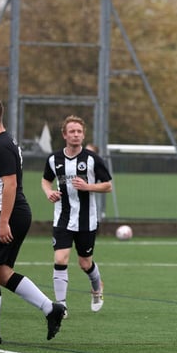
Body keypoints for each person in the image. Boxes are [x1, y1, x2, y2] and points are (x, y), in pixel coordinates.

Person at [0, 95, 66, 344]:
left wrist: (1, 221)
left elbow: (10, 184)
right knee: (1, 272)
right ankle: (51, 309)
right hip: (6, 211)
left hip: (7, 213)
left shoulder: (2, 145)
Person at [41, 115, 112, 318]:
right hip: (62, 217)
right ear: (64, 134)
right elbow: (46, 181)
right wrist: (49, 193)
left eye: (79, 131)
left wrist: (88, 186)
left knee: (85, 263)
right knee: (60, 258)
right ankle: (61, 306)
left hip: (86, 219)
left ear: (83, 135)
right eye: (72, 131)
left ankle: (97, 288)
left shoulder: (92, 159)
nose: (76, 134)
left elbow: (108, 185)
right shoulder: (54, 159)